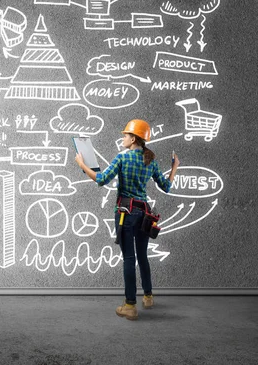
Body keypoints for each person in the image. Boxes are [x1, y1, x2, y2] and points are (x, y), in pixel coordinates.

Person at [74, 119, 179, 320]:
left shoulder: (122, 158)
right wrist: (175, 167)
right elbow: (166, 186)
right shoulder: (150, 161)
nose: (122, 138)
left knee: (129, 258)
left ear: (133, 138)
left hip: (125, 213)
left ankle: (130, 305)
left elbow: (101, 180)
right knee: (142, 256)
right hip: (145, 215)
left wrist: (82, 164)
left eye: (125, 135)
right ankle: (148, 296)